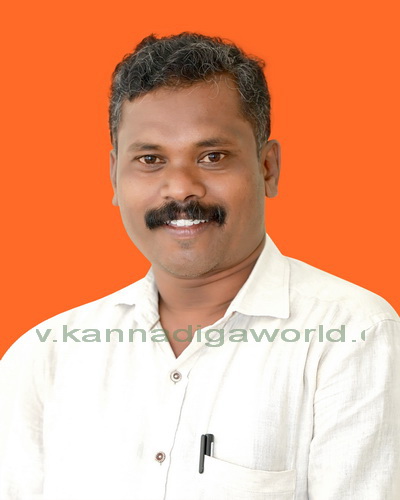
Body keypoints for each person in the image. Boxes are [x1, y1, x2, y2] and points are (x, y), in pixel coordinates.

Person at [0, 32, 399, 500]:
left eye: (212, 157)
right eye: (150, 159)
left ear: (267, 168)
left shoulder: (354, 336)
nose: (180, 188)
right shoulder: (45, 355)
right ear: (114, 176)